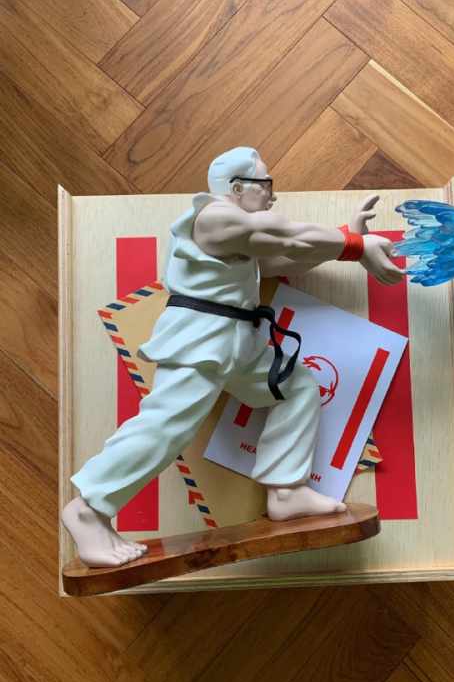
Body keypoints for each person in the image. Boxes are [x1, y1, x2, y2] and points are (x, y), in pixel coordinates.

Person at [62, 147, 404, 568]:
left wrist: (348, 240)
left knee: (296, 387)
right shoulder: (214, 218)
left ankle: (286, 489)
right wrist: (354, 244)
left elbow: (285, 257)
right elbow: (286, 236)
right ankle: (89, 508)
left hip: (237, 343)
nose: (272, 196)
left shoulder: (240, 236)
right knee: (166, 426)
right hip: (199, 340)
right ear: (237, 187)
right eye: (266, 185)